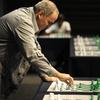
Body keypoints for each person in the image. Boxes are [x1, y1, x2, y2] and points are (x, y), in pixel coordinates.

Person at [0, 0, 74, 98]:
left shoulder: (31, 18)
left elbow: (35, 48)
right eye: (49, 22)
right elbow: (32, 54)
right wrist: (58, 74)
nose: (49, 26)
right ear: (41, 14)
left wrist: (44, 74)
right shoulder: (22, 20)